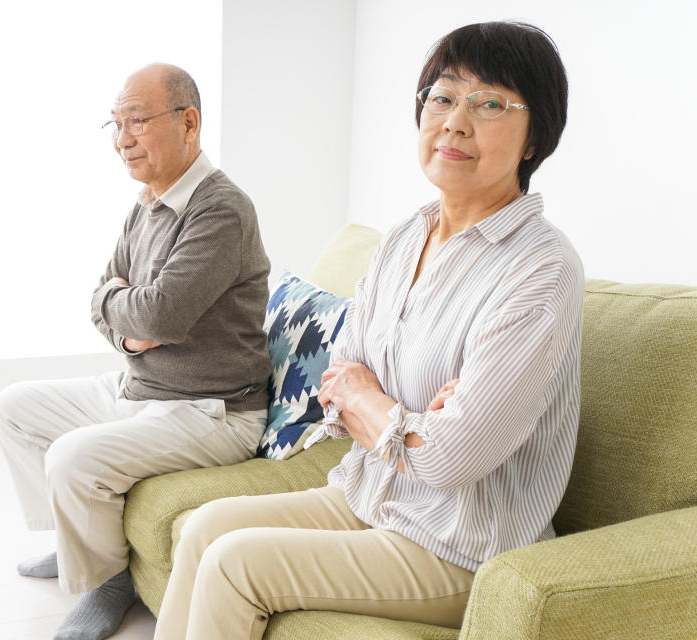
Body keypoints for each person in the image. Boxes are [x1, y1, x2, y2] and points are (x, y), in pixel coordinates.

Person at [153, 21, 582, 639]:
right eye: (443, 96)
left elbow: (451, 458)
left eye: (490, 104)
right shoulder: (406, 236)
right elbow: (341, 375)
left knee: (234, 563)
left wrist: (374, 402)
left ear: (534, 134)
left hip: (458, 541)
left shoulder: (540, 269)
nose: (457, 121)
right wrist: (403, 418)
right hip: (368, 496)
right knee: (203, 526)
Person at [0, 63, 271, 640]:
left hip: (211, 410)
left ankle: (107, 581)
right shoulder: (146, 202)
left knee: (71, 459)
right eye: (115, 124)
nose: (122, 139)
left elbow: (161, 315)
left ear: (188, 123)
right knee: (13, 407)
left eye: (136, 121)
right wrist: (130, 327)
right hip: (142, 387)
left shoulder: (221, 209)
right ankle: (77, 547)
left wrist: (134, 314)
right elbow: (102, 297)